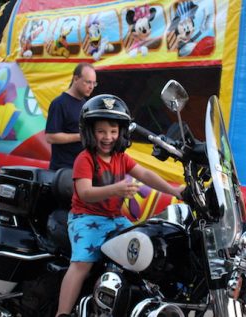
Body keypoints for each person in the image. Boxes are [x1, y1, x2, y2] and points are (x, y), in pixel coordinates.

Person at [55, 94, 184, 316]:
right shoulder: (85, 159)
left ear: (121, 133)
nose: (108, 137)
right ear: (90, 132)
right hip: (86, 218)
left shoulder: (121, 158)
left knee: (144, 249)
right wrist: (116, 190)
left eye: (113, 131)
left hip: (115, 219)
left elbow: (144, 174)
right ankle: (63, 312)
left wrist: (174, 190)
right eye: (101, 131)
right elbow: (85, 193)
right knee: (82, 265)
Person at [45, 62, 97, 170]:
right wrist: (81, 136)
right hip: (63, 170)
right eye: (88, 82)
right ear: (76, 79)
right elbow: (50, 137)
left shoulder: (86, 104)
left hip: (82, 167)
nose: (91, 87)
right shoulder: (59, 103)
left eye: (94, 83)